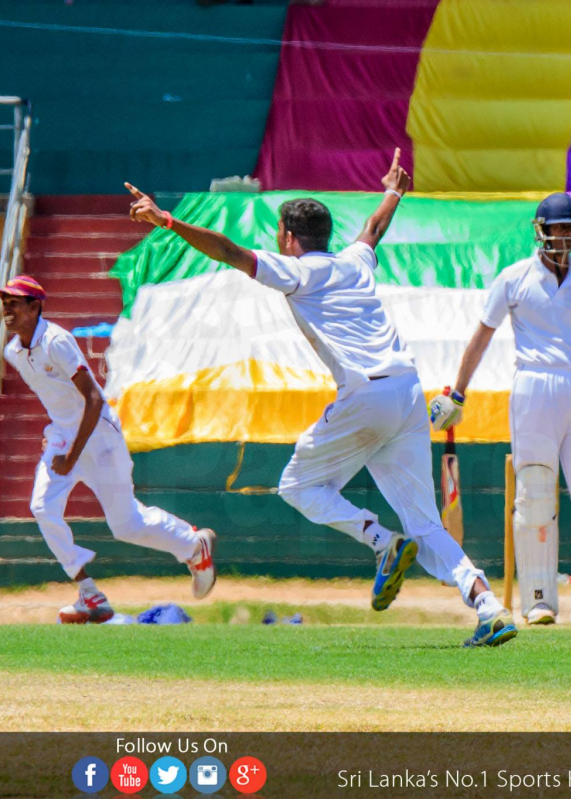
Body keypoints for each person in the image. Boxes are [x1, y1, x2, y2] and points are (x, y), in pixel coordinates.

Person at [124, 150, 517, 647]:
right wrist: (393, 191)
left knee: (296, 485)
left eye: (279, 234)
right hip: (407, 392)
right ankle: (489, 606)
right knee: (426, 523)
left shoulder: (296, 272)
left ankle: (382, 542)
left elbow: (227, 250)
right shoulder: (354, 262)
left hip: (365, 395)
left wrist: (166, 220)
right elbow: (373, 229)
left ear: (290, 238)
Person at [430, 192, 571, 626]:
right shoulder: (514, 279)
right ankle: (538, 600)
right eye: (558, 228)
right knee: (534, 492)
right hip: (533, 385)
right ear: (541, 231)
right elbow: (481, 337)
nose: (565, 236)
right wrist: (458, 393)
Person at [0, 275, 216, 623]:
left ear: (35, 307)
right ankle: (89, 593)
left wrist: (72, 455)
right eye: (4, 302)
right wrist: (58, 435)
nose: (7, 308)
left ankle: (193, 546)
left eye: (15, 302)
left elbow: (93, 399)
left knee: (126, 525)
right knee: (42, 507)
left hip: (99, 436)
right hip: (64, 436)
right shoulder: (13, 351)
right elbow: (58, 398)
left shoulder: (56, 341)